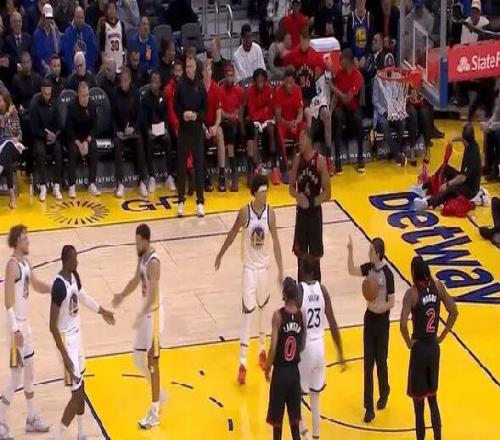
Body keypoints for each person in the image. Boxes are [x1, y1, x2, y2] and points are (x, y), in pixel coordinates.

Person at [215, 174, 284, 384]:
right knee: (247, 313)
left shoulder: (270, 214)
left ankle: (262, 350)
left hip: (264, 269)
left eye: (266, 191)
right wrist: (221, 253)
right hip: (249, 270)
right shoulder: (245, 212)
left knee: (263, 310)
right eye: (262, 191)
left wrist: (281, 270)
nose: (265, 195)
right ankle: (242, 363)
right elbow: (232, 233)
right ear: (255, 193)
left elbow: (276, 242)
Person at [49, 245, 115, 440]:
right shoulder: (59, 286)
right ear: (66, 261)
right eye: (74, 259)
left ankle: (81, 432)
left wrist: (102, 311)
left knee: (81, 389)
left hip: (77, 338)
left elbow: (83, 297)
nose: (77, 261)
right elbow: (52, 326)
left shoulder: (74, 276)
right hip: (65, 341)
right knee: (77, 396)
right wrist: (65, 357)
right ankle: (58, 435)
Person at [112, 224, 166, 430]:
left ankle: (154, 411)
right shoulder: (142, 257)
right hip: (146, 314)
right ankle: (158, 394)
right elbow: (136, 280)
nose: (136, 246)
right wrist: (121, 295)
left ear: (145, 240)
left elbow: (153, 294)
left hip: (154, 314)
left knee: (153, 360)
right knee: (137, 357)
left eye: (138, 243)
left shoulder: (154, 263)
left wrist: (141, 315)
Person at [0, 225, 51, 439]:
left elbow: (36, 285)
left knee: (29, 372)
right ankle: (1, 420)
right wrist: (15, 330)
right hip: (16, 328)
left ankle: (31, 417)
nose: (28, 241)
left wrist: (55, 288)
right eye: (25, 238)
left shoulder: (25, 263)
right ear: (17, 242)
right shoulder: (12, 266)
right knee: (16, 377)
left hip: (25, 325)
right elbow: (7, 301)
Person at [400, 256, 458, 440]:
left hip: (419, 350)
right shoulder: (438, 286)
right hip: (433, 347)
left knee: (419, 406)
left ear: (413, 272)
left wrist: (408, 342)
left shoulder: (412, 293)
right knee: (433, 400)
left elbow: (402, 324)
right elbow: (454, 311)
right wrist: (443, 334)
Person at [297, 254, 345, 440]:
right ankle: (316, 436)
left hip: (306, 348)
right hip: (320, 347)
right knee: (315, 398)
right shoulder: (323, 290)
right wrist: (340, 353)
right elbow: (333, 323)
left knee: (295, 394)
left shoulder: (299, 291)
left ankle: (305, 435)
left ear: (302, 270)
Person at [347, 235, 394, 423]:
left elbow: (392, 302)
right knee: (368, 365)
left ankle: (385, 389)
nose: (369, 253)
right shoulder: (369, 268)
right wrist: (350, 251)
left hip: (382, 321)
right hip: (369, 319)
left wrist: (379, 308)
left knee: (381, 361)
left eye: (371, 251)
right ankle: (368, 408)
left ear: (378, 254)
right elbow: (351, 270)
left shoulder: (388, 274)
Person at [264, 277, 304, 440]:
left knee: (277, 425)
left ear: (284, 295)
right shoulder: (301, 315)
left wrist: (267, 368)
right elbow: (302, 344)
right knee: (295, 425)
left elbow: (273, 347)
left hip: (280, 374)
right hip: (294, 374)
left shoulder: (278, 316)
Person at [289, 128, 330, 282]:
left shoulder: (320, 161)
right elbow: (291, 188)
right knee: (300, 258)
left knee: (315, 258)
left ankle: (317, 288)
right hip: (301, 215)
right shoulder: (297, 159)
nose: (299, 142)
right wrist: (297, 195)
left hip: (314, 215)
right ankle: (301, 290)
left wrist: (311, 202)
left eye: (302, 138)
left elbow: (327, 194)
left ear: (309, 140)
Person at [413, 123, 482, 210]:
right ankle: (424, 187)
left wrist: (447, 184)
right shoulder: (471, 141)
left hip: (470, 189)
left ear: (465, 140)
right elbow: (462, 137)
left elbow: (462, 178)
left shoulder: (472, 155)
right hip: (465, 179)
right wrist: (452, 139)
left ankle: (428, 203)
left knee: (451, 189)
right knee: (445, 168)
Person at [174, 56, 208, 218]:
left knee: (199, 166)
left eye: (191, 66)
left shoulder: (200, 86)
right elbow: (176, 106)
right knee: (181, 167)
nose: (188, 69)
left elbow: (205, 109)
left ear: (195, 68)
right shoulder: (180, 85)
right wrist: (183, 115)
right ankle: (180, 201)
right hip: (183, 131)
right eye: (186, 66)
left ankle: (200, 202)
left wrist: (196, 115)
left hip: (196, 132)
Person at [112, 67, 148, 198]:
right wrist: (117, 131)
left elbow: (140, 115)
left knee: (139, 142)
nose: (123, 83)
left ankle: (142, 181)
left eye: (125, 80)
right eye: (121, 80)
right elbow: (112, 117)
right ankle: (120, 183)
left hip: (132, 130)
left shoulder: (135, 92)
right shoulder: (115, 93)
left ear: (129, 80)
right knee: (117, 145)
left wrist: (133, 128)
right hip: (120, 132)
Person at [141, 70, 175, 193]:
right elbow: (143, 119)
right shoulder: (145, 98)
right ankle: (151, 177)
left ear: (160, 83)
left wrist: (165, 128)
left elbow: (166, 115)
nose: (154, 84)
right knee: (149, 141)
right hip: (150, 130)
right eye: (152, 82)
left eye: (156, 82)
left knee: (168, 139)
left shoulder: (163, 97)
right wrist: (148, 130)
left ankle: (169, 176)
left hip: (161, 129)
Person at [332, 48, 365, 174]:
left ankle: (360, 157)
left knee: (358, 119)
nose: (340, 61)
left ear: (348, 60)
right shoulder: (339, 74)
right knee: (337, 116)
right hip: (341, 109)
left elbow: (347, 99)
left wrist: (334, 89)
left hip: (353, 108)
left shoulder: (357, 76)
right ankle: (337, 160)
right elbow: (336, 98)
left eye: (342, 59)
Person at [30, 78, 62, 202]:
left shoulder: (55, 103)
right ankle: (43, 185)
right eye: (45, 94)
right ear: (41, 91)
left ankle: (57, 185)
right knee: (40, 152)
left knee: (58, 149)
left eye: (49, 94)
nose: (47, 96)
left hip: (52, 136)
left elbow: (59, 123)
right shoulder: (34, 105)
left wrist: (54, 134)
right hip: (40, 137)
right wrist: (45, 135)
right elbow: (34, 128)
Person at [66, 81, 100, 198]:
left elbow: (95, 126)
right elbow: (69, 128)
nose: (86, 98)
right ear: (78, 95)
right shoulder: (72, 106)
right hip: (74, 138)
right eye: (83, 96)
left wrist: (87, 141)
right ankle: (71, 185)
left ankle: (92, 183)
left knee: (94, 147)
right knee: (73, 151)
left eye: (87, 95)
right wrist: (78, 143)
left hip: (87, 137)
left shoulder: (92, 105)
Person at [245, 68, 276, 187]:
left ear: (265, 81)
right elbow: (251, 112)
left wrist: (262, 112)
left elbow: (270, 111)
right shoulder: (250, 91)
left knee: (272, 129)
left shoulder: (270, 90)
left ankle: (274, 166)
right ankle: (256, 166)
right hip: (255, 121)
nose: (260, 84)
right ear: (254, 82)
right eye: (258, 82)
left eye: (262, 81)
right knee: (254, 132)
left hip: (267, 120)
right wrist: (263, 111)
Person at [372, 62, 406, 166]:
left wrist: (398, 109)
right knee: (384, 124)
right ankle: (397, 155)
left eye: (392, 67)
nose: (390, 69)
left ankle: (395, 151)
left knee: (402, 122)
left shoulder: (397, 77)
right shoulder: (377, 79)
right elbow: (375, 101)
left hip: (394, 112)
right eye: (388, 67)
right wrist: (384, 112)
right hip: (382, 113)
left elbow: (400, 97)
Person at [275, 70, 305, 184]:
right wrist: (289, 124)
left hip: (294, 122)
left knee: (304, 129)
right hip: (283, 123)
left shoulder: (298, 89)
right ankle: (284, 170)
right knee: (278, 131)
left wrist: (295, 123)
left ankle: (302, 165)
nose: (288, 85)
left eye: (291, 83)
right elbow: (278, 117)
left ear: (294, 82)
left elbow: (300, 112)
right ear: (283, 81)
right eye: (286, 83)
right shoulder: (278, 91)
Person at [201, 58, 226, 192]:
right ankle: (204, 174)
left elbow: (219, 114)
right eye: (205, 69)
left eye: (209, 69)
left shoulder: (217, 89)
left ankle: (222, 173)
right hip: (200, 125)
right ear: (202, 72)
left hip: (213, 125)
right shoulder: (197, 88)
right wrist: (204, 128)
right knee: (198, 137)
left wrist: (215, 127)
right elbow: (196, 112)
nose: (207, 72)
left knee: (220, 132)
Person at [220, 63, 244, 192]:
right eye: (227, 75)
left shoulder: (239, 90)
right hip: (225, 123)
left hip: (236, 122)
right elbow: (220, 112)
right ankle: (234, 170)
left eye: (231, 75)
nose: (230, 78)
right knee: (229, 128)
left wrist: (237, 116)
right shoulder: (220, 91)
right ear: (224, 76)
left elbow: (240, 109)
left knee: (247, 128)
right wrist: (231, 116)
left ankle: (254, 168)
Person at [0, 88, 23, 209]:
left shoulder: (14, 113)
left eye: (0, 101)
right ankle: (12, 195)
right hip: (1, 146)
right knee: (6, 156)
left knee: (8, 147)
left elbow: (20, 133)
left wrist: (16, 138)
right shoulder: (6, 114)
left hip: (14, 147)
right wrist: (7, 115)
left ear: (6, 101)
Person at [60, 6, 98, 74]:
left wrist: (88, 68)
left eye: (81, 18)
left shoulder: (89, 31)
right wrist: (73, 69)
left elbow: (93, 52)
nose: (80, 20)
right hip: (73, 71)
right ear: (74, 18)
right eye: (77, 17)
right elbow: (67, 54)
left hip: (87, 70)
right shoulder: (68, 33)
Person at [99, 0, 127, 74]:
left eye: (113, 8)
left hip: (120, 63)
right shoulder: (104, 25)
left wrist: (125, 61)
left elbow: (124, 45)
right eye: (109, 9)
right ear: (107, 11)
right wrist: (103, 63)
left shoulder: (121, 24)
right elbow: (102, 48)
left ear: (116, 10)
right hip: (108, 64)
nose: (111, 11)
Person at [32, 4, 61, 75]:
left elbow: (57, 51)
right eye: (47, 18)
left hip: (54, 68)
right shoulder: (37, 34)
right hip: (42, 71)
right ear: (42, 18)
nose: (48, 20)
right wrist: (45, 66)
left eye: (50, 18)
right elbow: (36, 56)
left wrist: (54, 33)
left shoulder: (55, 32)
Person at [347, 0, 373, 68]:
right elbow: (349, 40)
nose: (360, 4)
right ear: (356, 3)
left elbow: (371, 40)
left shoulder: (369, 16)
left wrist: (365, 56)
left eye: (362, 2)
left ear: (365, 2)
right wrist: (353, 57)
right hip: (354, 55)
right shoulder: (351, 17)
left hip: (366, 54)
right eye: (358, 2)